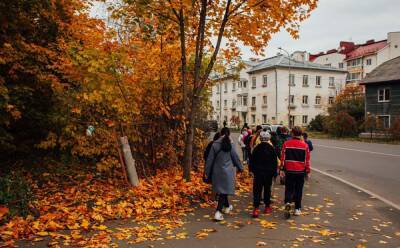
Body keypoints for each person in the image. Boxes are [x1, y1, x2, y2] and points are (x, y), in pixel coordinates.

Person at [205, 127, 244, 221]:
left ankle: (226, 207)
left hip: (216, 171)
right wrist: (240, 167)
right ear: (229, 134)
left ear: (220, 133)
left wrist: (207, 171)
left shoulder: (215, 144)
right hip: (228, 172)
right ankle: (218, 212)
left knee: (222, 190)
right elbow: (235, 157)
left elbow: (210, 160)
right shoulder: (230, 144)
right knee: (223, 191)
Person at [280, 126, 311, 218]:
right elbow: (307, 160)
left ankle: (288, 203)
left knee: (289, 189)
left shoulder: (286, 144)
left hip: (289, 170)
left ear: (292, 133)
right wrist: (307, 171)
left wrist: (281, 169)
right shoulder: (305, 145)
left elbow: (283, 158)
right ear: (301, 134)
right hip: (300, 171)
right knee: (298, 190)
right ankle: (297, 208)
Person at [249, 131, 278, 218]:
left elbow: (252, 160)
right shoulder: (271, 148)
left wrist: (251, 170)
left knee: (257, 190)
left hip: (258, 172)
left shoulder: (256, 148)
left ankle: (256, 209)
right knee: (267, 189)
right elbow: (274, 162)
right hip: (268, 173)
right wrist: (274, 173)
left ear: (260, 138)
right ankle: (267, 206)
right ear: (269, 138)